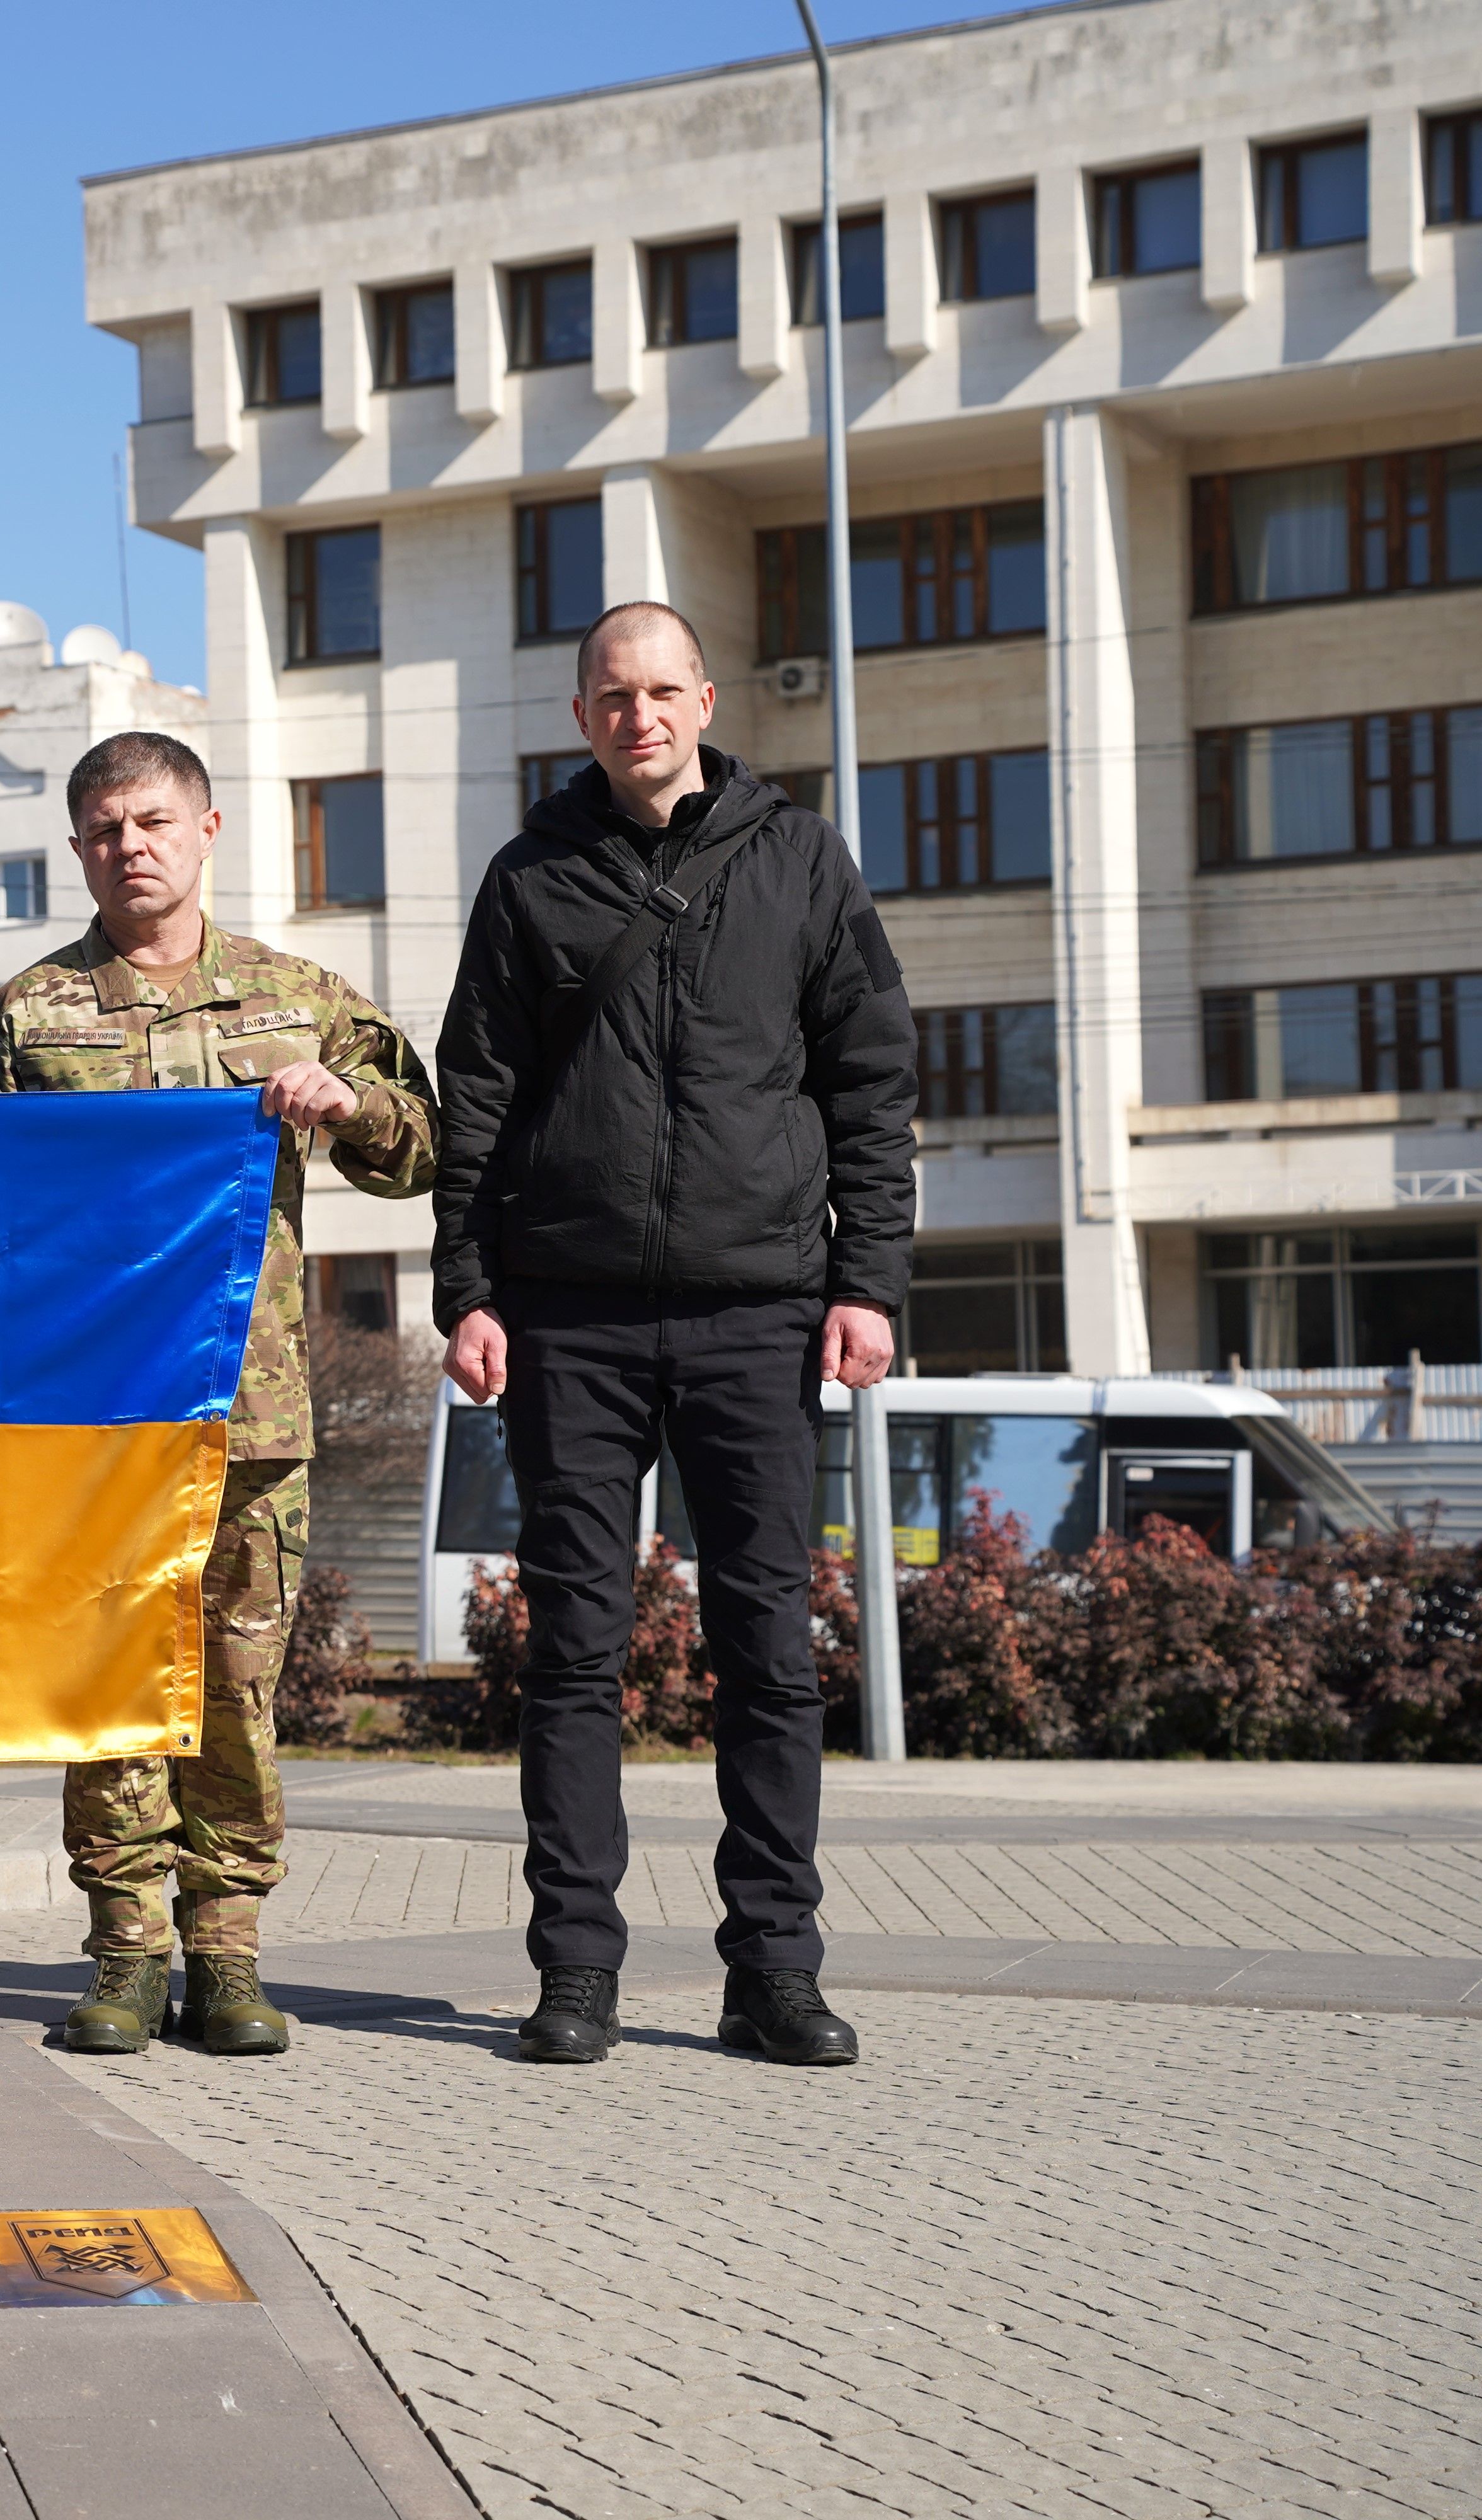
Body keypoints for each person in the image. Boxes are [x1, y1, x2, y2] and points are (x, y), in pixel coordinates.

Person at [433, 600, 915, 2069]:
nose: (639, 715)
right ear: (580, 715)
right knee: (577, 1649)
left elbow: (870, 1081)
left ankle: (773, 1968)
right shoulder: (532, 877)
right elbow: (477, 1094)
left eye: (662, 689)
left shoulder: (801, 860)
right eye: (611, 694)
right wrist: (468, 1287)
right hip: (567, 1319)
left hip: (758, 1308)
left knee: (766, 1647)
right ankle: (575, 1967)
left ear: (703, 698)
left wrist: (870, 1281)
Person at [0, 731, 437, 2061]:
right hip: (92, 1423)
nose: (131, 847)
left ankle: (227, 1955)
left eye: (154, 820)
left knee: (234, 1690)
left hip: (249, 1417)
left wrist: (347, 1102)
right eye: (105, 829)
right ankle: (122, 1953)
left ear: (210, 828)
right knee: (109, 1686)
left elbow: (426, 1146)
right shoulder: (22, 1020)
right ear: (77, 850)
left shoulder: (293, 996)